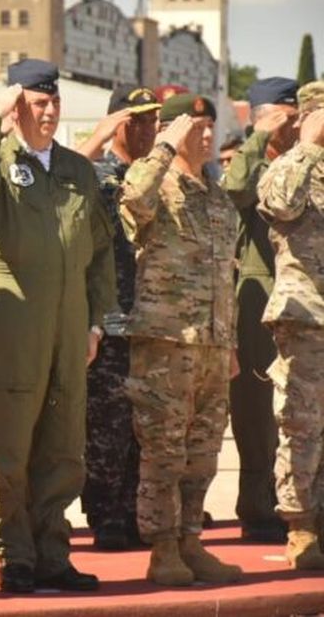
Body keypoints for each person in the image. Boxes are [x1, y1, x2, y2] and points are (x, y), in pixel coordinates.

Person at [0, 60, 115, 593]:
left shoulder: (75, 168)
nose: (47, 112)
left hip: (69, 316)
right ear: (18, 106)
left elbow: (99, 250)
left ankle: (53, 551)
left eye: (53, 103)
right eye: (36, 104)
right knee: (10, 439)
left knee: (64, 438)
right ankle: (16, 555)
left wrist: (96, 320)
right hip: (14, 307)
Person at [118, 93, 241, 587]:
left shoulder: (214, 195)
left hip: (211, 343)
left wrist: (228, 342)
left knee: (204, 451)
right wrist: (163, 148)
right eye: (196, 127)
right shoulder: (156, 182)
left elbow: (223, 274)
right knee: (163, 451)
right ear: (173, 131)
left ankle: (192, 540)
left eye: (211, 127)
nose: (207, 136)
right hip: (166, 341)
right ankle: (163, 548)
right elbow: (131, 201)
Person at [75, 84, 162, 551]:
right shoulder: (94, 173)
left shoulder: (160, 175)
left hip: (153, 320)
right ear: (115, 125)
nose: (146, 128)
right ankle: (105, 513)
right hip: (108, 320)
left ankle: (133, 510)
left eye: (152, 120)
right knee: (105, 425)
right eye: (136, 120)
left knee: (144, 425)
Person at [222, 77, 300, 544]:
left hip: (304, 302)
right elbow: (234, 190)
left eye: (295, 119)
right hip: (259, 296)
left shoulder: (307, 164)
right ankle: (257, 505)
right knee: (255, 409)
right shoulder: (250, 164)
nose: (292, 127)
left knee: (302, 409)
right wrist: (258, 137)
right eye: (283, 119)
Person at [255, 81, 324, 570]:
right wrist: (307, 145)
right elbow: (280, 203)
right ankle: (300, 527)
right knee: (302, 428)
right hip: (306, 319)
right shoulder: (287, 167)